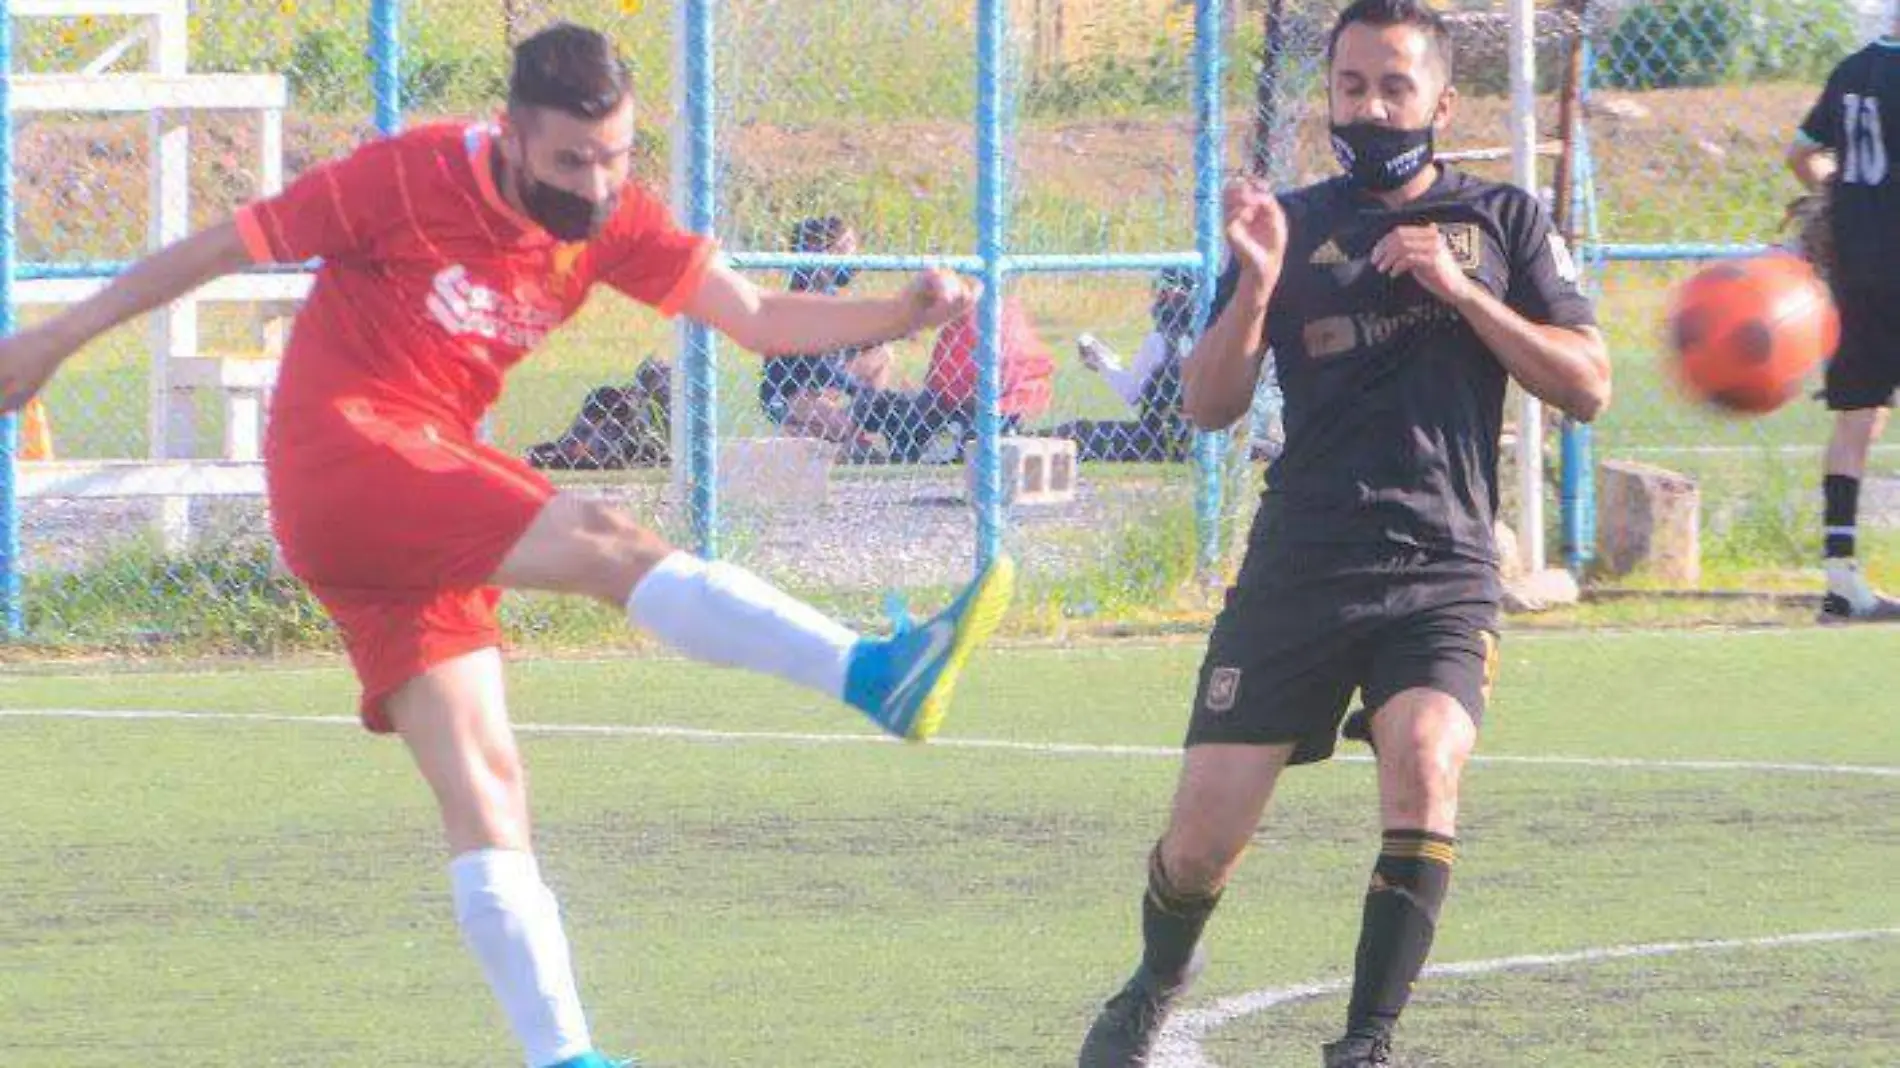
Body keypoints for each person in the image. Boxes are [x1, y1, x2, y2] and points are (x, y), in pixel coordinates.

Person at [0, 23, 1014, 1068]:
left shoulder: (615, 218)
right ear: (512, 134)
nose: (596, 180)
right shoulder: (405, 176)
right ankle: (872, 674)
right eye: (572, 159)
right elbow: (218, 247)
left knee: (490, 791)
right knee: (606, 540)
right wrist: (51, 338)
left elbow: (753, 318)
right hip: (349, 454)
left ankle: (563, 1057)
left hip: (405, 501)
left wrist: (895, 312)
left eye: (617, 155)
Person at [1074, 3, 1609, 1066]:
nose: (1370, 105)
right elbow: (1206, 406)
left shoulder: (1500, 219)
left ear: (1441, 102)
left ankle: (1364, 1043)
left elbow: (1587, 383)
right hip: (1300, 568)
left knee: (1425, 757)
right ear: (1329, 95)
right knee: (1198, 847)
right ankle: (1158, 977)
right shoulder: (1289, 222)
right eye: (1352, 85)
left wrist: (1463, 295)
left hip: (1441, 566)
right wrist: (1257, 286)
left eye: (1394, 87)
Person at [1787, 12, 1900, 623]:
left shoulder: (1853, 69)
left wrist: (1846, 191)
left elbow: (1803, 155)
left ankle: (1840, 581)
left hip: (1857, 274)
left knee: (1857, 421)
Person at [850, 295, 1056, 462]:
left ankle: (1041, 441)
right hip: (954, 400)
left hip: (996, 403)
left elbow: (1001, 380)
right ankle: (902, 435)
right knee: (901, 417)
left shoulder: (990, 317)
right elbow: (941, 381)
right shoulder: (962, 323)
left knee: (972, 448)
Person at [757, 215, 897, 445]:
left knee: (882, 354)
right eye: (845, 250)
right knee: (850, 438)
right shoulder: (800, 300)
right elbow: (818, 367)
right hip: (790, 393)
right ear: (821, 252)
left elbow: (846, 347)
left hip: (821, 386)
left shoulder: (829, 294)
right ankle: (803, 433)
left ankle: (849, 431)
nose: (853, 260)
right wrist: (857, 389)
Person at [1051, 267, 1198, 462]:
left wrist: (1101, 362)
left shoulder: (1159, 341)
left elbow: (1131, 393)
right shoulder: (1211, 335)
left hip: (1155, 440)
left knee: (1074, 431)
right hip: (1204, 438)